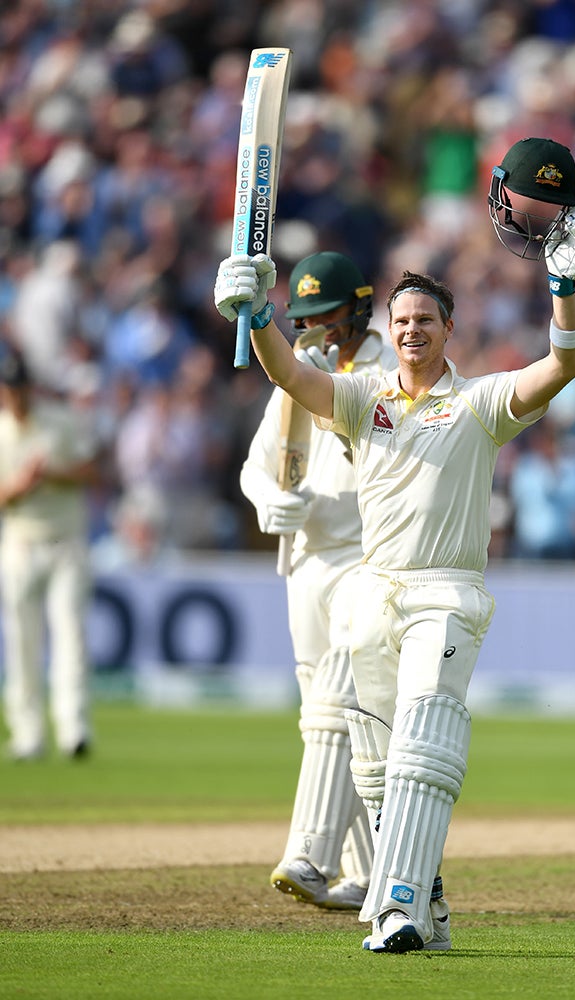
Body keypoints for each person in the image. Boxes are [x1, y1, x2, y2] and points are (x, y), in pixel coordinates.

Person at [214, 137, 575, 953]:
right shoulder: (363, 398)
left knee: (427, 737)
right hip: (370, 593)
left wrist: (563, 291)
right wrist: (258, 314)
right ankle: (431, 906)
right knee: (380, 769)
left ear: (449, 329)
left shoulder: (482, 402)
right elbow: (291, 377)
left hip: (445, 593)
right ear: (388, 329)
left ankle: (394, 908)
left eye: (426, 320)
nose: (414, 330)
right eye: (403, 320)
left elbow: (562, 366)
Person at [238, 252, 397, 910]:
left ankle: (310, 854)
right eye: (301, 319)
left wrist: (331, 506)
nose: (314, 330)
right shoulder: (298, 375)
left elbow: (398, 480)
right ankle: (364, 872)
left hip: (366, 558)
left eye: (325, 316)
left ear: (359, 309)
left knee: (338, 703)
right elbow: (259, 464)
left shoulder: (394, 377)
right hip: (304, 563)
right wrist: (264, 503)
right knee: (326, 720)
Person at [0, 347, 100, 760]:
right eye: (10, 390)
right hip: (21, 545)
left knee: (69, 637)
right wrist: (22, 485)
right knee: (22, 641)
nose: (17, 397)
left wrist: (53, 475)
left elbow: (92, 472)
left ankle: (73, 729)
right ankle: (27, 734)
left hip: (66, 544)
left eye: (20, 387)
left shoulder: (59, 422)